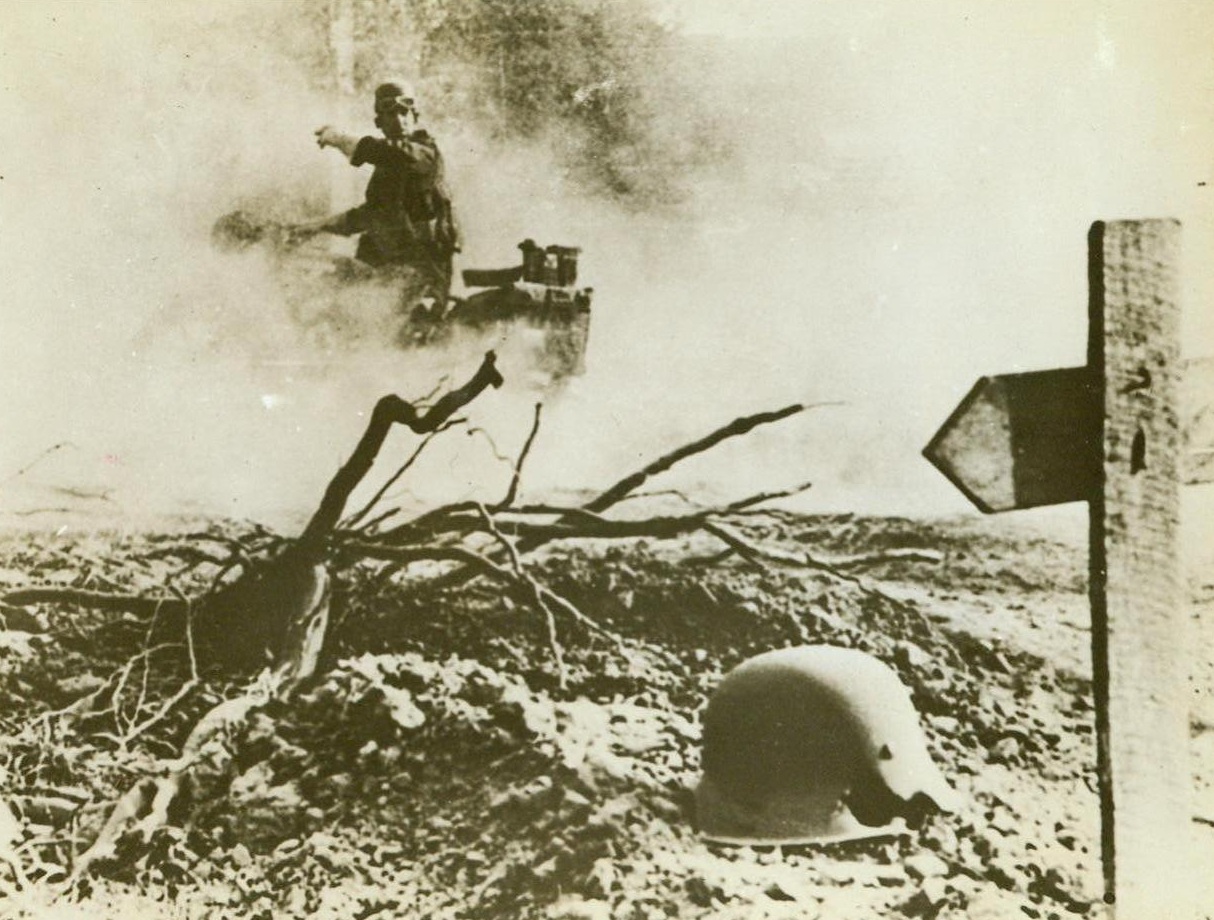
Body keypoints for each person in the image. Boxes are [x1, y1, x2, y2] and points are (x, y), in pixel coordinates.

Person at [302, 81, 461, 305]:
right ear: (380, 123)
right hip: (390, 274)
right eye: (390, 114)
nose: (398, 119)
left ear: (415, 117)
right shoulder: (388, 171)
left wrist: (338, 139)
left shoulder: (425, 154)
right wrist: (309, 228)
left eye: (404, 112)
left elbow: (391, 152)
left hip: (421, 282)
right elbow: (368, 215)